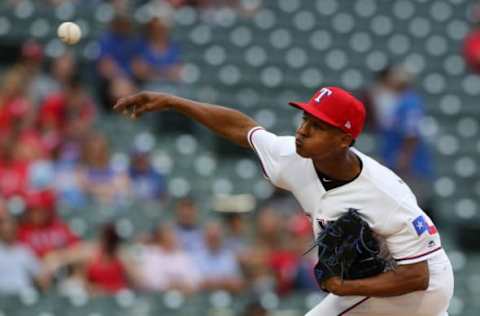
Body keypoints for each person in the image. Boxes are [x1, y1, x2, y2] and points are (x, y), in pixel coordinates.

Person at [114, 87, 453, 315]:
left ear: (343, 139)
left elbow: (417, 276)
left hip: (421, 286)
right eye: (305, 118)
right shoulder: (293, 155)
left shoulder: (387, 196)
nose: (303, 130)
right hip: (386, 282)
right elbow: (242, 129)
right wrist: (176, 102)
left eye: (318, 126)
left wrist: (345, 286)